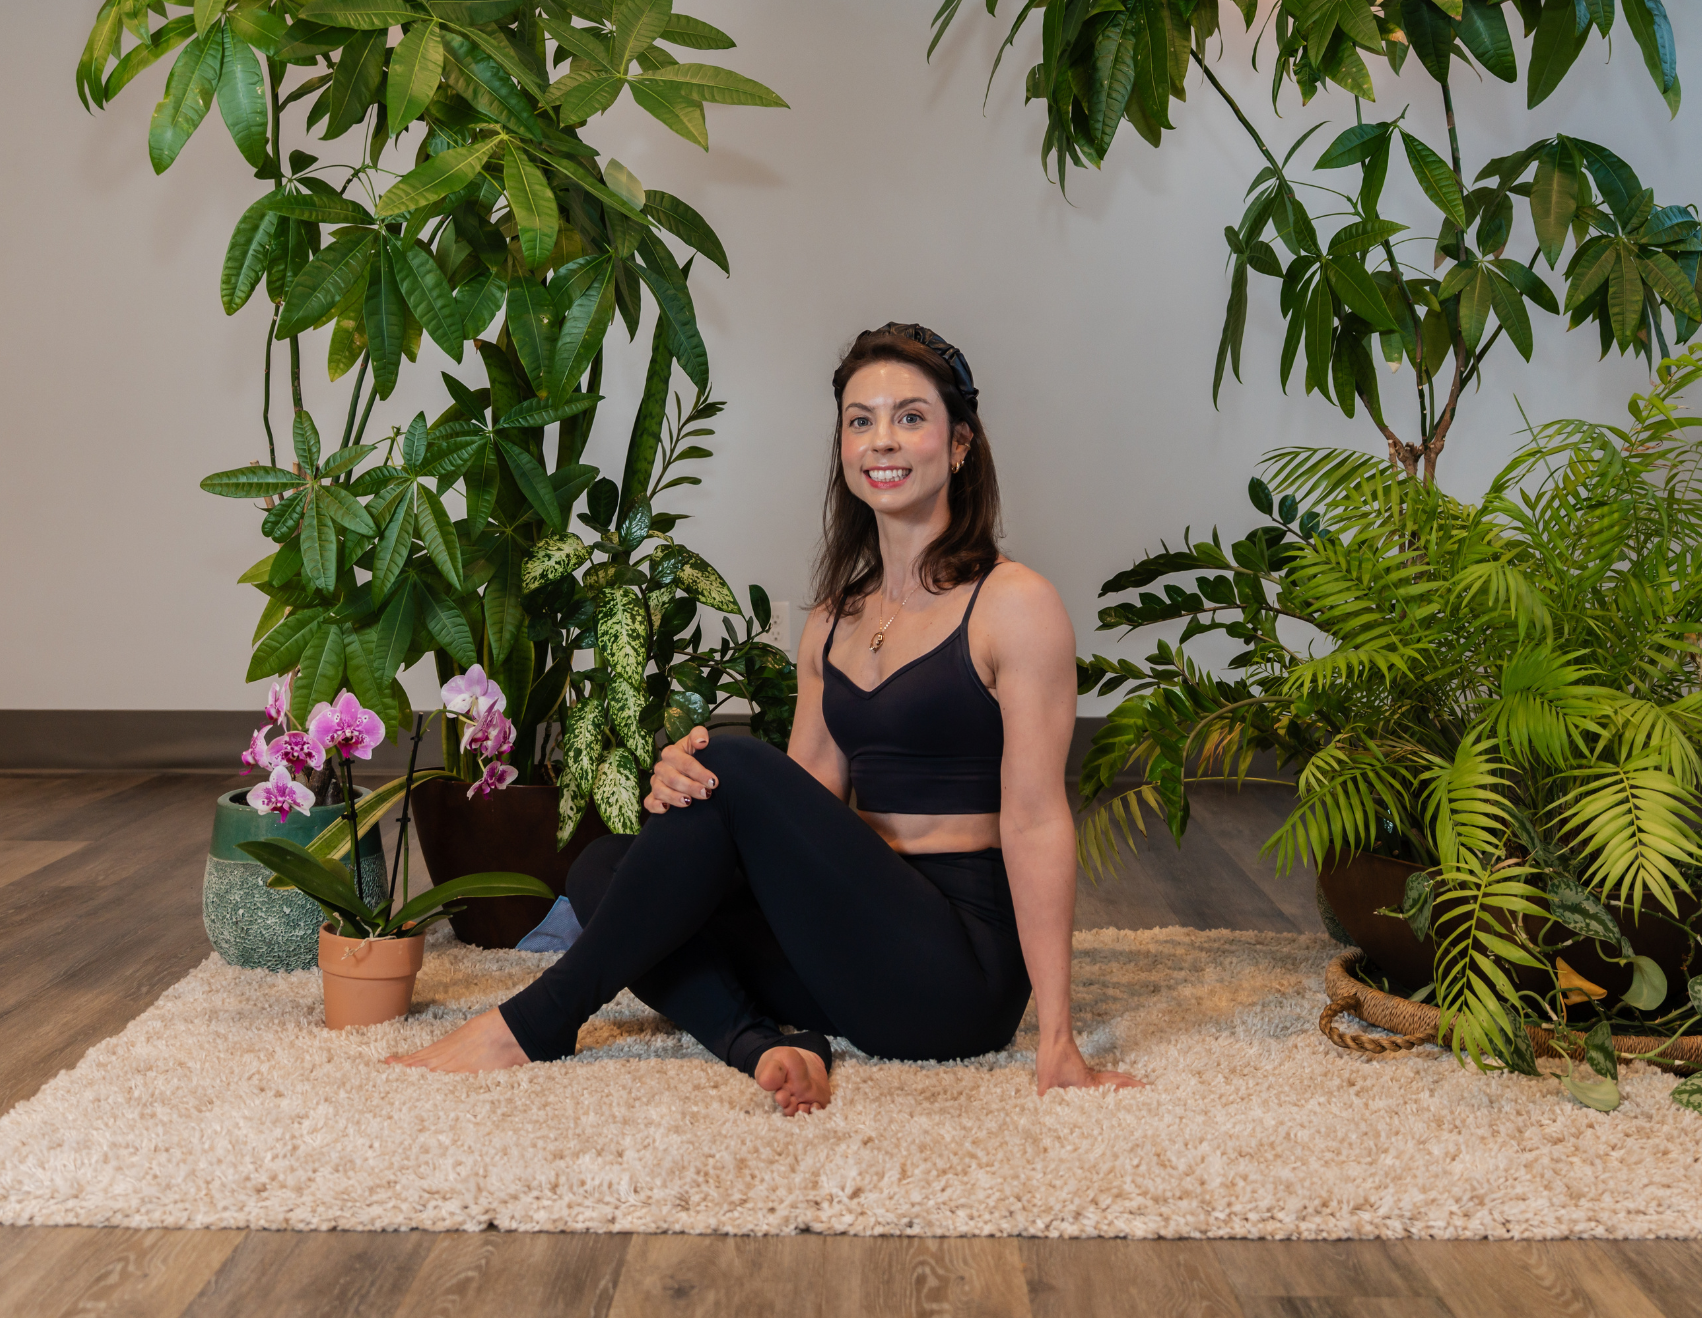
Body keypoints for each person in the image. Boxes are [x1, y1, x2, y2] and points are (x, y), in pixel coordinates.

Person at [389, 323, 1141, 1114]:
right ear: (843, 448)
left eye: (910, 417)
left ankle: (534, 1023)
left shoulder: (1014, 603)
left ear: (959, 445)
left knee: (735, 764)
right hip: (852, 951)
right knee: (602, 870)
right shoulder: (834, 619)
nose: (882, 439)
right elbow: (800, 810)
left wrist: (1056, 1040)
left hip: (953, 976)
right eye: (861, 420)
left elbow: (1034, 817)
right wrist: (689, 791)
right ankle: (768, 1045)